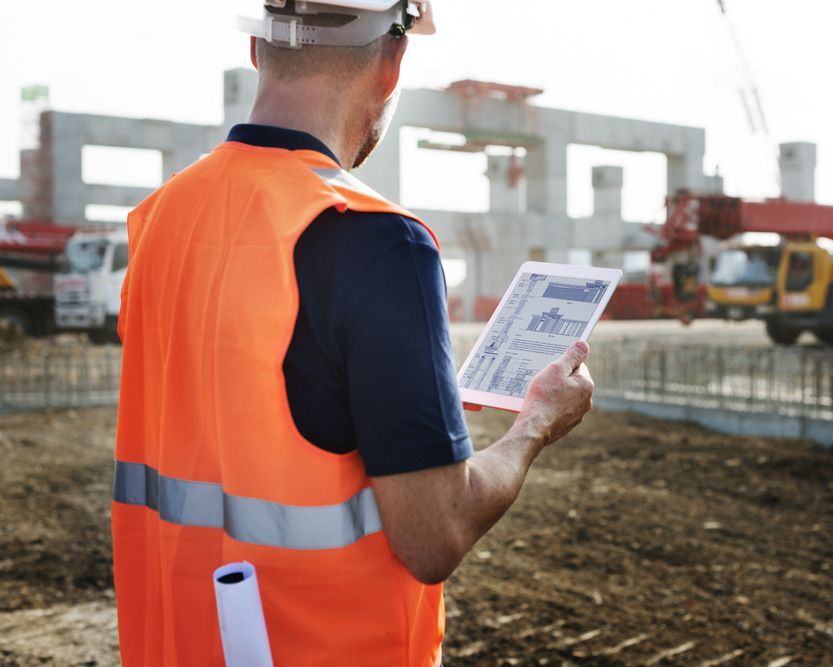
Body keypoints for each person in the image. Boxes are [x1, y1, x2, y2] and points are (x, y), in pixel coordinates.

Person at [110, 2, 595, 665]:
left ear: (257, 49)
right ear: (393, 64)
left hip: (172, 645)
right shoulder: (377, 241)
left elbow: (245, 400)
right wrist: (534, 421)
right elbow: (434, 534)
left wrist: (385, 390)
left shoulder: (161, 218)